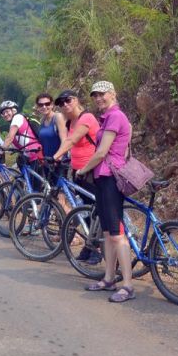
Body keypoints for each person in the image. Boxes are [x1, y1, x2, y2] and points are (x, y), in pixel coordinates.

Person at [74, 81, 136, 303]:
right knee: (109, 233)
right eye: (95, 96)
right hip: (103, 177)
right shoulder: (107, 118)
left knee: (118, 234)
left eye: (102, 94)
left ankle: (127, 285)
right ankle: (109, 278)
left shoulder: (115, 117)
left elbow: (101, 152)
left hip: (110, 177)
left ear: (113, 94)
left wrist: (83, 169)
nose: (99, 98)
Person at [51, 89, 101, 262]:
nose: (65, 105)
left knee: (95, 211)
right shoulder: (69, 123)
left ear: (76, 100)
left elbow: (72, 141)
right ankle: (89, 246)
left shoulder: (86, 118)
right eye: (61, 103)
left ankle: (96, 249)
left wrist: (55, 156)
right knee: (86, 211)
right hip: (79, 171)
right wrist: (62, 157)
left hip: (93, 171)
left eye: (68, 100)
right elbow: (67, 142)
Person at [33, 93, 67, 160]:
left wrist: (58, 157)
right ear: (38, 107)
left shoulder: (58, 117)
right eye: (41, 105)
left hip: (59, 161)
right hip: (47, 161)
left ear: (52, 105)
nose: (44, 107)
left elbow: (64, 140)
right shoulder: (42, 120)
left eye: (47, 104)